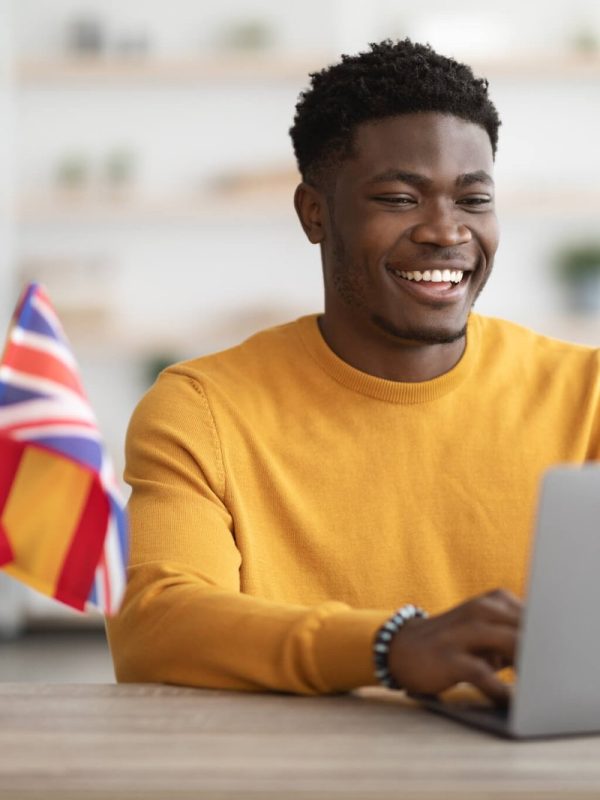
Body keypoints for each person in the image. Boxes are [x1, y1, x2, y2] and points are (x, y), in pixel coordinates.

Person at [106, 39, 600, 704]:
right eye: (400, 198)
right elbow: (158, 625)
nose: (445, 231)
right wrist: (391, 647)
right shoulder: (204, 409)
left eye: (473, 199)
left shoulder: (585, 393)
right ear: (315, 213)